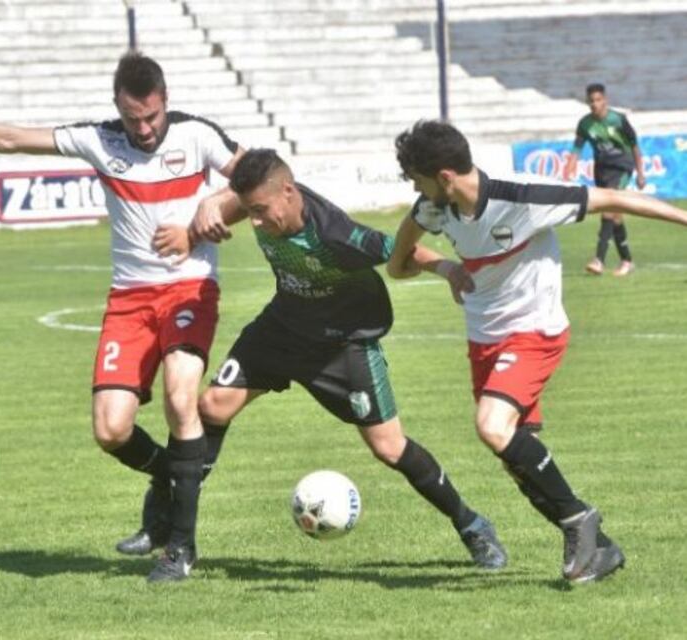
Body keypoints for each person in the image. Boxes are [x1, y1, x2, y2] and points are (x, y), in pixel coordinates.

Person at [0, 52, 244, 582]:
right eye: (133, 118)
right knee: (111, 429)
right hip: (129, 300)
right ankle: (172, 480)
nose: (144, 129)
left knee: (180, 398)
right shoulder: (100, 140)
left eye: (153, 117)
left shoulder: (197, 136)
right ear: (118, 108)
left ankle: (180, 549)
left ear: (167, 102)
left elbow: (262, 176)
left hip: (189, 290)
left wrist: (212, 210)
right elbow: (9, 138)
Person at [144, 148, 509, 570]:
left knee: (389, 447)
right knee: (212, 405)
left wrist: (448, 270)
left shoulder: (334, 235)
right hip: (283, 328)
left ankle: (473, 525)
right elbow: (236, 201)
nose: (256, 222)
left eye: (261, 212)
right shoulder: (264, 201)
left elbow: (398, 249)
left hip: (344, 344)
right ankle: (175, 530)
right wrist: (204, 217)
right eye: (250, 212)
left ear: (289, 192)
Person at [389, 119, 687, 583]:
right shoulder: (433, 208)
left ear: (444, 176)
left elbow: (613, 198)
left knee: (492, 427)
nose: (414, 186)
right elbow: (399, 262)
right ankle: (600, 551)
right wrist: (446, 267)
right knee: (517, 462)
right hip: (483, 338)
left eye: (417, 177)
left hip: (534, 332)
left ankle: (578, 520)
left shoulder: (523, 197)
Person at [564, 83, 646, 277]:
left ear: (605, 100)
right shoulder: (585, 124)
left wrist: (640, 172)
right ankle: (626, 260)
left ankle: (598, 260)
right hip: (601, 170)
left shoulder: (618, 120)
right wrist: (569, 170)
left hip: (622, 167)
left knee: (608, 210)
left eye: (598, 100)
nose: (595, 104)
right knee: (615, 215)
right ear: (587, 102)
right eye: (591, 101)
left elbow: (634, 146)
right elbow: (576, 149)